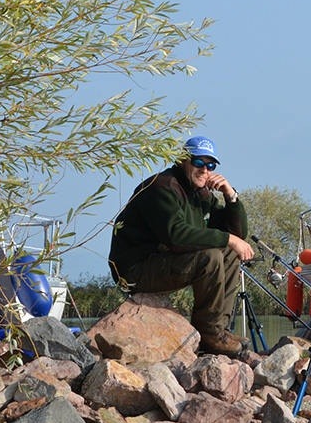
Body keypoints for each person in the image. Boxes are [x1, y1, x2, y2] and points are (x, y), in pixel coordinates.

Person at [108, 135, 255, 355]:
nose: (204, 170)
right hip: (134, 270)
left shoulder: (201, 193)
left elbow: (237, 233)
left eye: (210, 165)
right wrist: (229, 239)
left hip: (163, 260)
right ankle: (210, 335)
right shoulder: (161, 187)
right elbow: (176, 236)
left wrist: (231, 196)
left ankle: (218, 330)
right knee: (211, 256)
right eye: (198, 163)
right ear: (182, 161)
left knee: (229, 253)